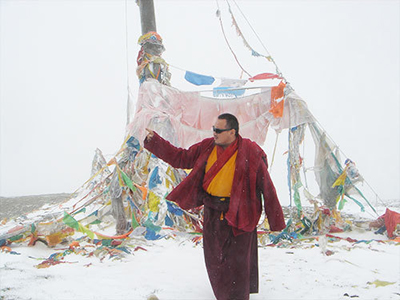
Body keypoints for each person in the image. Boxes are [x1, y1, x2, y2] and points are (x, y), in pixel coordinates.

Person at [144, 113, 285, 300]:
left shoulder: (250, 152)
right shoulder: (207, 147)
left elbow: (267, 186)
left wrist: (275, 220)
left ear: (232, 132)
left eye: (219, 130)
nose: (214, 133)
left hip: (240, 214)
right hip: (212, 212)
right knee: (215, 262)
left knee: (238, 264)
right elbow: (181, 158)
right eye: (213, 129)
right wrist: (155, 142)